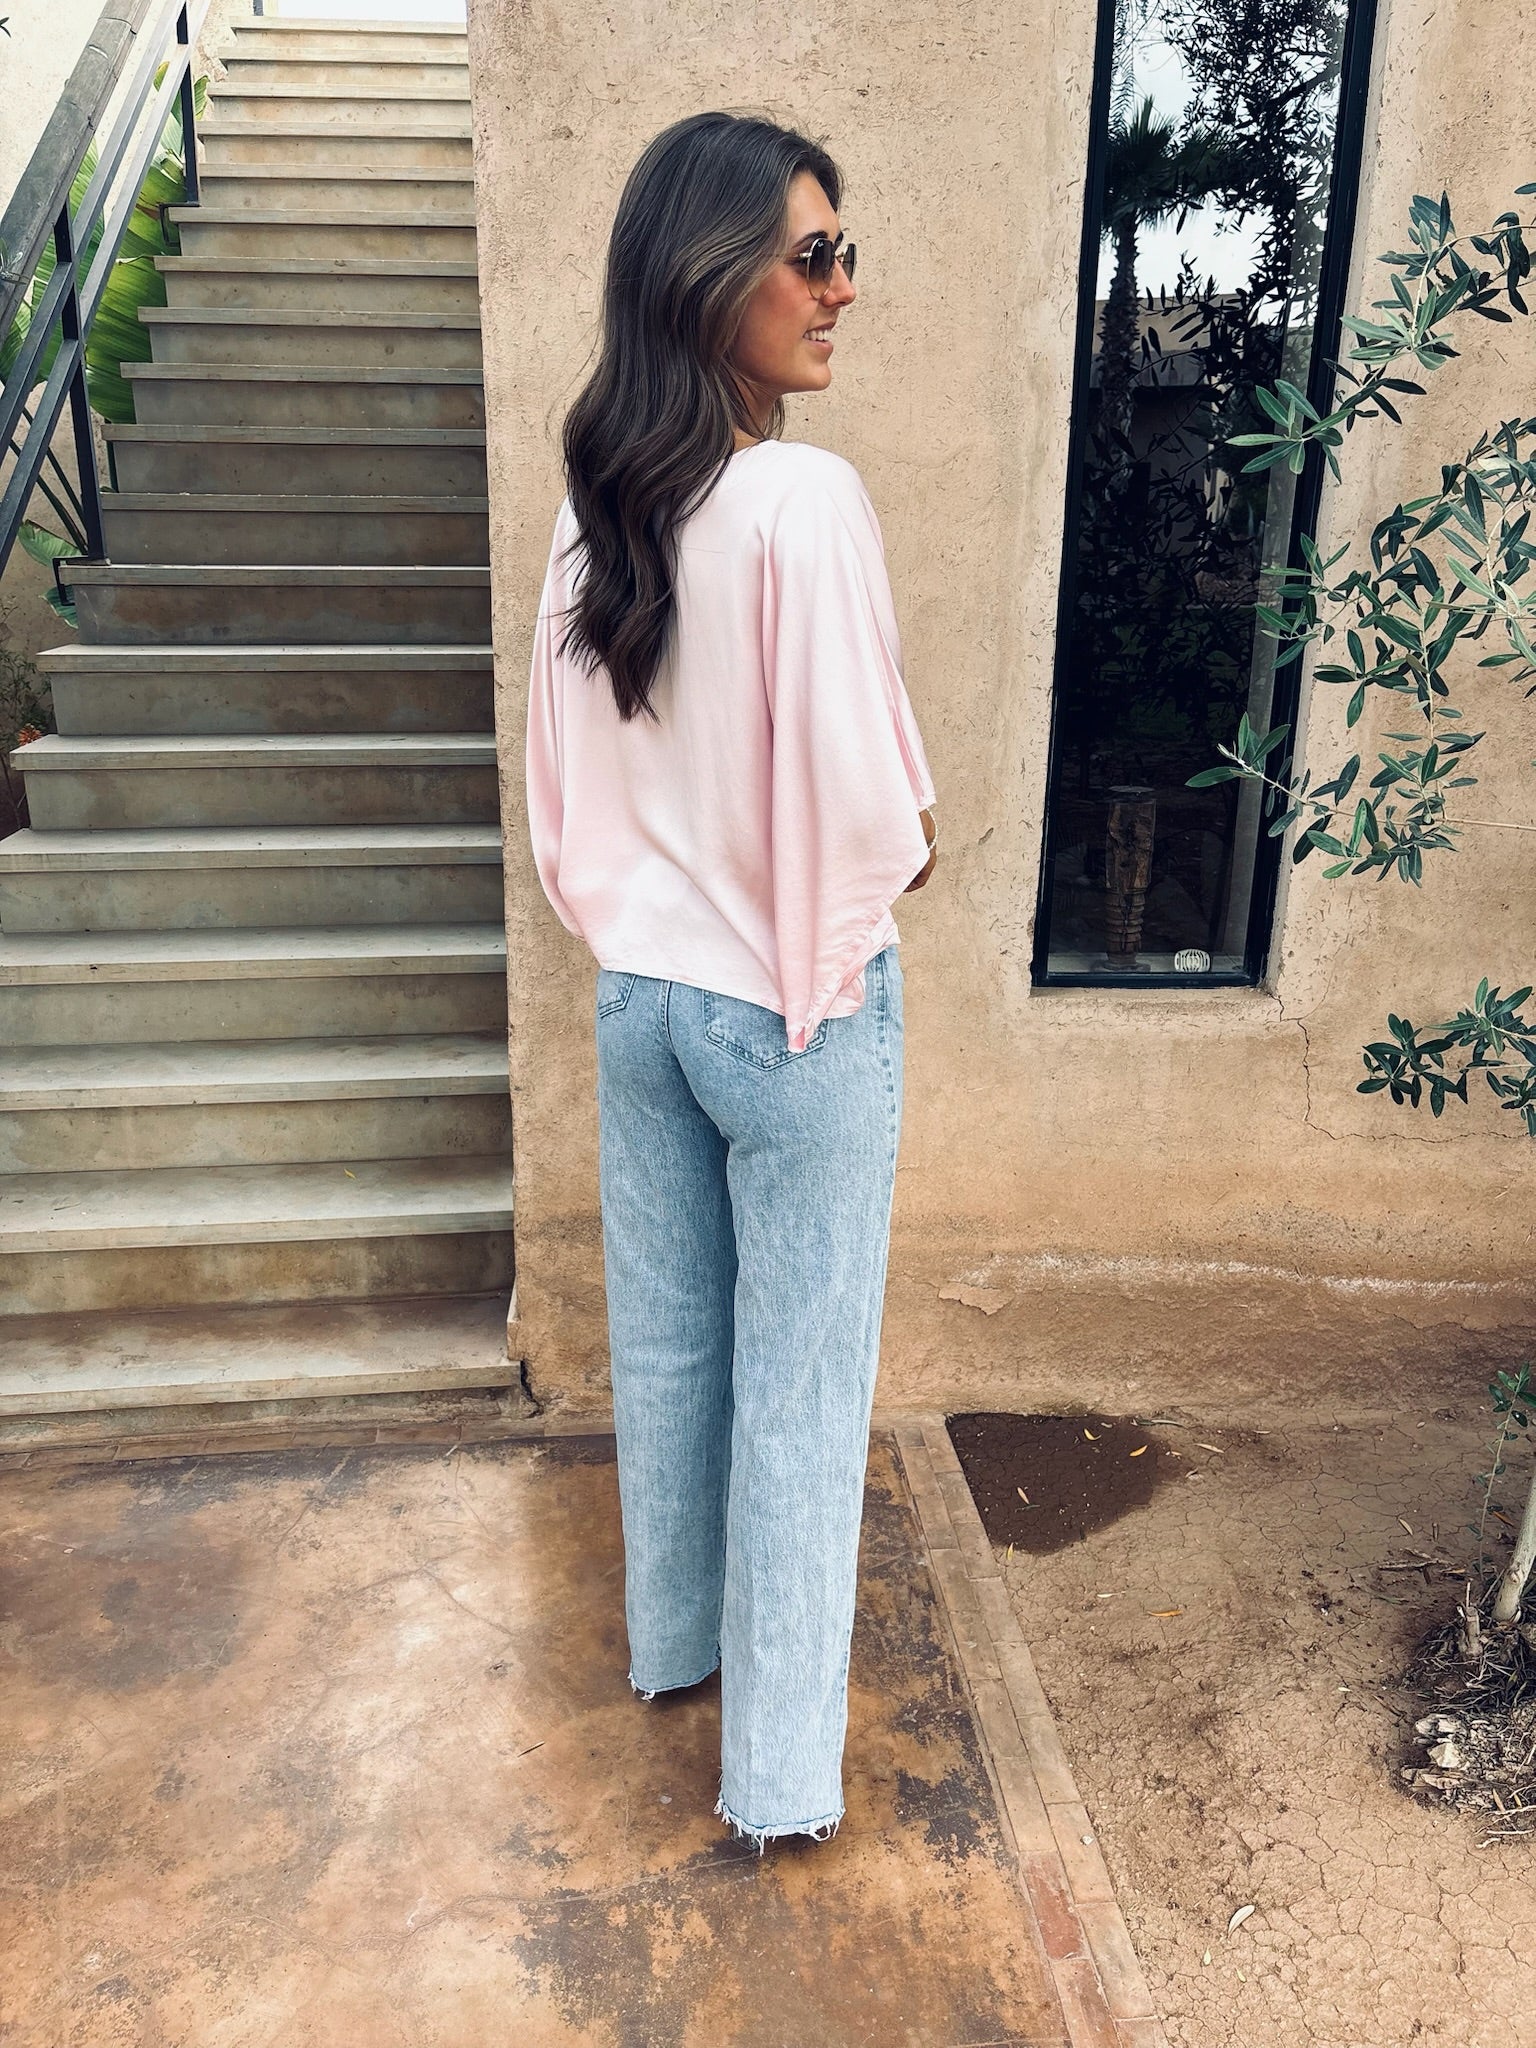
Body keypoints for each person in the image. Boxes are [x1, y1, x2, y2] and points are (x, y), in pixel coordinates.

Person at [524, 109, 939, 1853]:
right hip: (791, 1008)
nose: (843, 289)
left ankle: (672, 1649)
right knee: (800, 1395)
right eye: (813, 256)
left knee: (675, 1348)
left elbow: (563, 787)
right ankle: (774, 1787)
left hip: (643, 1001)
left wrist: (646, 913)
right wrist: (885, 877)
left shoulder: (601, 508)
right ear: (710, 279)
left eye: (844, 254)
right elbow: (876, 820)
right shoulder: (798, 500)